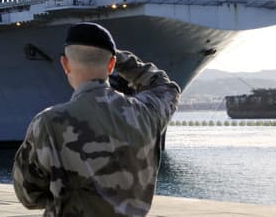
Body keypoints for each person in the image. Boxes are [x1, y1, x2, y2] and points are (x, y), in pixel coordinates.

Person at [12, 22, 180, 216]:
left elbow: (29, 197)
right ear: (111, 65)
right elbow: (166, 88)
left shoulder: (48, 123)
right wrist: (118, 58)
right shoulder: (146, 113)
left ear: (65, 64)